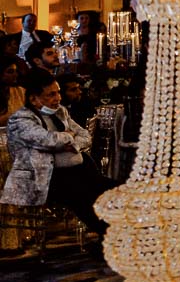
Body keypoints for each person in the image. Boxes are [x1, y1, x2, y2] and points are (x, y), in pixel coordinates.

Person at [1, 70, 109, 239]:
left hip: (74, 169)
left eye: (58, 92)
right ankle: (109, 235)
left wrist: (71, 142)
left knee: (108, 188)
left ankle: (123, 229)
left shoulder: (60, 112)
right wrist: (68, 137)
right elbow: (48, 140)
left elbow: (85, 136)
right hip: (41, 176)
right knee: (81, 195)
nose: (57, 98)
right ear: (34, 99)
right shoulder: (21, 120)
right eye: (51, 94)